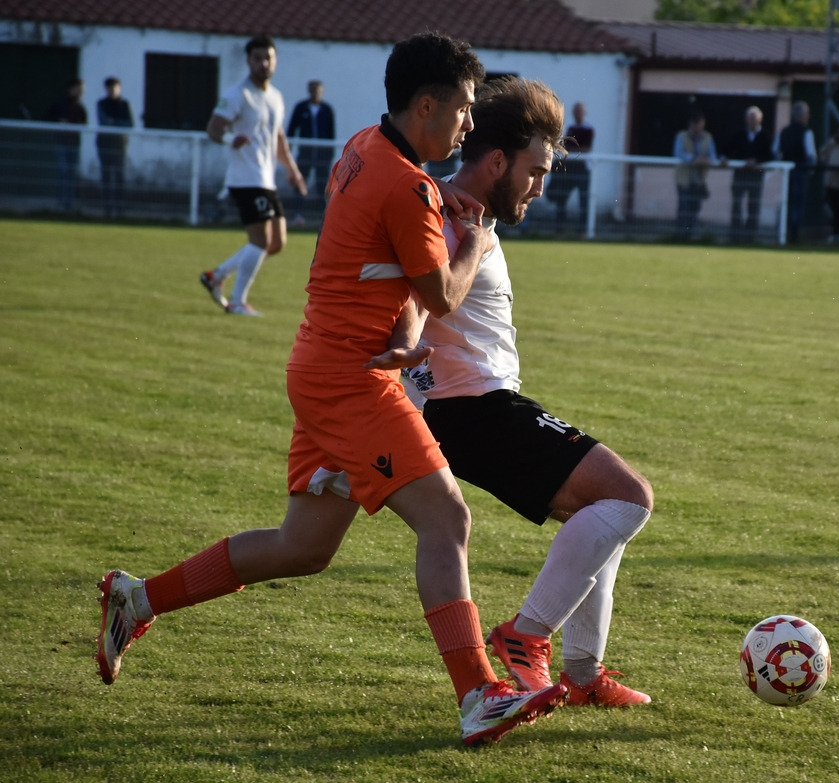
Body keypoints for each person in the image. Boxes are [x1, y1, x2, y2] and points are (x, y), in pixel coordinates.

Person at [95, 32, 568, 748]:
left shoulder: (361, 147)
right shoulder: (409, 186)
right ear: (426, 105)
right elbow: (442, 294)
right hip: (353, 380)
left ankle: (137, 599)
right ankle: (479, 693)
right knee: (446, 519)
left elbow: (387, 254)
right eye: (465, 109)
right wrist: (475, 239)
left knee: (303, 545)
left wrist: (426, 236)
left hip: (321, 365)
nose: (470, 124)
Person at [383, 76, 655, 709]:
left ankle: (582, 673)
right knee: (628, 497)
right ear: (498, 162)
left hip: (473, 407)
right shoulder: (450, 218)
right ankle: (525, 636)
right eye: (535, 172)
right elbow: (418, 296)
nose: (540, 187)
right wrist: (407, 345)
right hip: (473, 410)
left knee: (601, 511)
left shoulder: (466, 214)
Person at [199, 36, 306, 317]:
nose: (264, 63)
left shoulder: (275, 97)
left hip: (266, 179)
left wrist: (292, 170)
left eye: (268, 58)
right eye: (258, 58)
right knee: (260, 241)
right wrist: (229, 139)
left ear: (275, 61)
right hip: (245, 178)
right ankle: (237, 301)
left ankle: (216, 275)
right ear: (248, 61)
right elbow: (213, 128)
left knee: (276, 243)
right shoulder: (238, 94)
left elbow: (278, 138)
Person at [286, 79, 336, 225]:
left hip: (322, 155)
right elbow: (291, 129)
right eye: (312, 89)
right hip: (305, 153)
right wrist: (288, 150)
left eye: (317, 90)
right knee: (300, 183)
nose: (315, 92)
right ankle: (298, 214)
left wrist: (329, 154)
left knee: (323, 186)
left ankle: (324, 216)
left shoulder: (327, 110)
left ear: (322, 91)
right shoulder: (301, 108)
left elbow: (331, 133)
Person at [721, 106, 774, 242]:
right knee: (736, 203)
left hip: (756, 175)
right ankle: (735, 235)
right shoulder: (739, 134)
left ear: (760, 120)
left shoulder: (765, 135)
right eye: (750, 118)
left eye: (755, 118)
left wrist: (756, 161)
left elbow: (770, 156)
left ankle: (750, 236)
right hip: (740, 174)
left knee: (753, 205)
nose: (752, 121)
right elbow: (727, 148)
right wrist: (724, 157)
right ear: (746, 119)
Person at [545, 101, 593, 230]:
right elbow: (565, 147)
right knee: (562, 197)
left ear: (584, 113)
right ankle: (559, 227)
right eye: (576, 111)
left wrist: (571, 151)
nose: (577, 114)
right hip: (570, 169)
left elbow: (586, 149)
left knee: (584, 200)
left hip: (582, 170)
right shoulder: (570, 129)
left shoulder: (588, 129)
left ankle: (583, 230)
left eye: (580, 111)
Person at [775, 101, 816, 243]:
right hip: (800, 173)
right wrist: (810, 171)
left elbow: (775, 151)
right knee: (797, 204)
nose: (808, 117)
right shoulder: (807, 132)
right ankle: (793, 235)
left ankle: (781, 232)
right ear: (801, 116)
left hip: (785, 174)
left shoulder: (784, 132)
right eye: (807, 114)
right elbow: (811, 155)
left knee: (785, 202)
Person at [43, 78, 87, 213]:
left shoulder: (81, 106)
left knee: (72, 173)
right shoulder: (60, 103)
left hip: (74, 144)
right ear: (71, 89)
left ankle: (70, 204)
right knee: (63, 170)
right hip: (62, 142)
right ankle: (61, 203)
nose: (81, 92)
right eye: (79, 89)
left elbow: (84, 123)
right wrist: (59, 121)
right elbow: (48, 117)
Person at [673, 111, 718, 238]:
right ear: (691, 124)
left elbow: (713, 156)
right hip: (683, 180)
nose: (698, 128)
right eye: (696, 125)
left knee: (694, 209)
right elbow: (678, 153)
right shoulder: (681, 136)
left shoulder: (707, 137)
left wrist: (706, 161)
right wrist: (694, 159)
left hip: (699, 181)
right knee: (684, 207)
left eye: (701, 125)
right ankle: (680, 236)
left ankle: (690, 235)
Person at [96, 77, 133, 218]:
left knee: (119, 177)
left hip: (120, 144)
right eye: (109, 88)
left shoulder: (125, 104)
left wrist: (114, 121)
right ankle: (108, 209)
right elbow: (104, 122)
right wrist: (117, 122)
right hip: (104, 143)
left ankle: (120, 209)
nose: (112, 91)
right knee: (106, 176)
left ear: (119, 88)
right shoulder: (101, 104)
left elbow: (130, 124)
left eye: (115, 88)